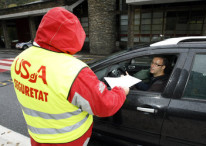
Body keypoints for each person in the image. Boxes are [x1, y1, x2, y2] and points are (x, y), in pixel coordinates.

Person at [11, 7, 129, 146]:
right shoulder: (73, 70)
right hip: (68, 139)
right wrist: (121, 90)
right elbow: (105, 106)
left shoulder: (20, 59)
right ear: (74, 37)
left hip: (36, 135)